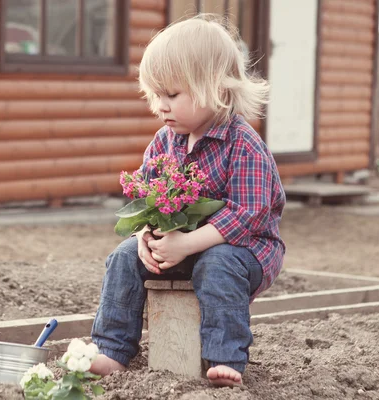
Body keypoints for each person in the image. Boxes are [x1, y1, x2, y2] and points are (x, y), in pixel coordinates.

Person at [90, 14, 286, 387]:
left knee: (218, 263)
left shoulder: (243, 144)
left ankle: (225, 358)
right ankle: (112, 349)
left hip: (246, 251)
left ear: (214, 87)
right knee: (123, 257)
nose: (160, 107)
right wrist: (147, 237)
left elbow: (248, 214)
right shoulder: (164, 142)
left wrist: (188, 243)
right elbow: (149, 201)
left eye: (172, 95)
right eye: (155, 96)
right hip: (184, 246)